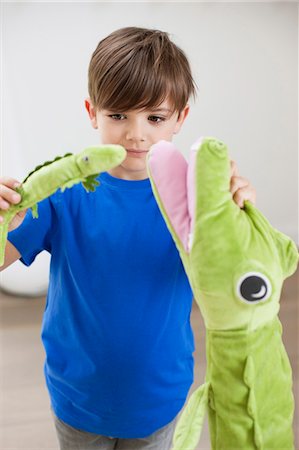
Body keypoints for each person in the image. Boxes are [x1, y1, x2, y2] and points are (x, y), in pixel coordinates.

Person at [0, 27, 256, 450]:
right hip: (76, 397)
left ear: (180, 119)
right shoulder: (63, 192)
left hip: (159, 397)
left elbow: (241, 283)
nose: (136, 134)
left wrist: (241, 219)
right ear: (92, 112)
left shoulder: (199, 203)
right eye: (118, 115)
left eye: (154, 118)